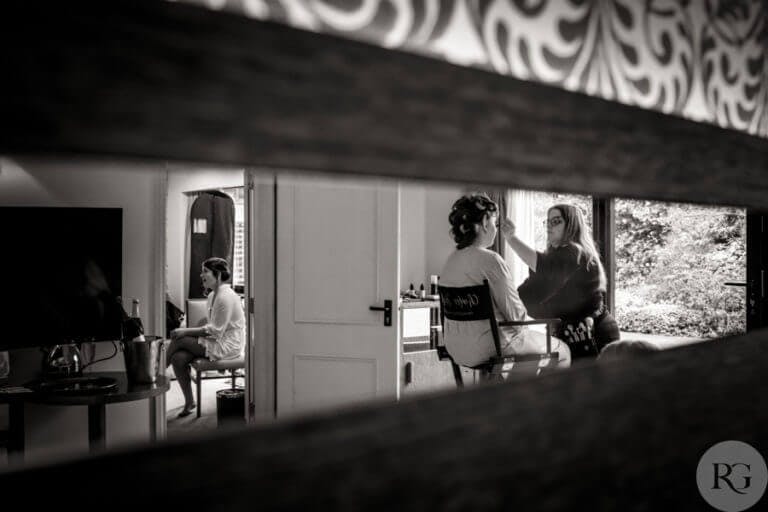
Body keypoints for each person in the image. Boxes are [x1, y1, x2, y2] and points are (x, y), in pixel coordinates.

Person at [440, 193, 571, 370]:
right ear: (485, 222)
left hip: (456, 349)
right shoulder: (491, 260)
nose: (495, 229)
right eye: (494, 224)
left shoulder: (450, 261)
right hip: (490, 349)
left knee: (525, 351)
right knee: (562, 351)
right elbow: (517, 317)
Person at [502, 204, 620, 360]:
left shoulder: (574, 251)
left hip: (592, 335)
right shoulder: (558, 257)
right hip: (574, 334)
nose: (549, 226)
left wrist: (511, 238)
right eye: (548, 222)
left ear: (571, 225)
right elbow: (529, 292)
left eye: (556, 221)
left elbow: (543, 267)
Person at [166, 257, 245, 417]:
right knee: (178, 359)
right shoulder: (212, 296)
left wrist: (186, 331)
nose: (201, 275)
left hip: (229, 345)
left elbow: (215, 331)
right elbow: (213, 329)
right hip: (217, 339)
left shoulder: (226, 296)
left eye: (205, 271)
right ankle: (190, 401)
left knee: (179, 338)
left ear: (218, 274)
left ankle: (158, 372)